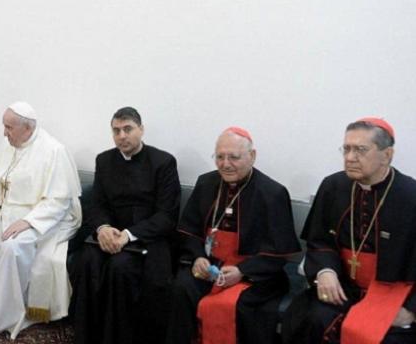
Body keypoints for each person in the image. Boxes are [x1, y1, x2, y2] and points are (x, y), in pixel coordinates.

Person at [0, 101, 82, 341]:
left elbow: (58, 202)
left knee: (11, 247)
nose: (4, 133)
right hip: (6, 213)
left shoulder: (54, 150)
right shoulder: (8, 145)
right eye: (4, 126)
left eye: (9, 127)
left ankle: (0, 315)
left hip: (44, 220)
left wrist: (29, 221)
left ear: (28, 128)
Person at [283, 118, 416, 344]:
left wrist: (412, 310)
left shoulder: (411, 195)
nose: (350, 157)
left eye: (360, 150)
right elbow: (319, 240)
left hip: (394, 292)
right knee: (310, 319)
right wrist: (325, 271)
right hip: (341, 286)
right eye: (346, 149)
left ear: (387, 155)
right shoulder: (333, 186)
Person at [165, 127, 300, 344]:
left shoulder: (272, 193)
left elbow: (279, 251)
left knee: (232, 306)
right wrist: (198, 257)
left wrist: (241, 271)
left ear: (252, 156)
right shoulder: (206, 183)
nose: (225, 164)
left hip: (252, 273)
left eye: (233, 157)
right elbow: (189, 230)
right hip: (208, 265)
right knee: (181, 288)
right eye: (219, 157)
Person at [71, 106, 181, 344]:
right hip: (110, 234)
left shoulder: (163, 162)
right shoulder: (104, 160)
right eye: (116, 130)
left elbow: (167, 216)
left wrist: (128, 235)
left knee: (120, 267)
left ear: (141, 130)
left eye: (128, 129)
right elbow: (97, 204)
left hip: (148, 238)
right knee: (87, 260)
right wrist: (102, 228)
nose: (122, 136)